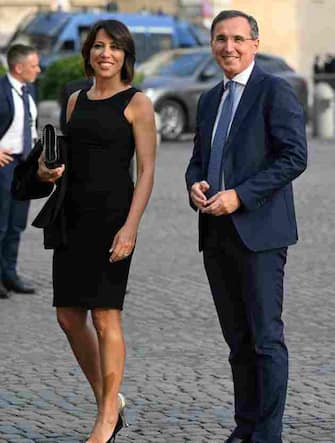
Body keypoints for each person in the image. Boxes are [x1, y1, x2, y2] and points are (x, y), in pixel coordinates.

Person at [185, 10, 307, 443]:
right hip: (215, 234)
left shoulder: (275, 91)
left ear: (254, 43)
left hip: (260, 234)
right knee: (238, 341)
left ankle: (267, 435)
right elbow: (199, 158)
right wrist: (194, 184)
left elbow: (294, 156)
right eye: (221, 38)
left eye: (238, 38)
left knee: (265, 340)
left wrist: (241, 195)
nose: (229, 47)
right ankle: (246, 427)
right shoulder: (209, 99)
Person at [36, 19, 156, 443]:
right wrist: (46, 171)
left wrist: (131, 228)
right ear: (88, 52)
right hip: (72, 215)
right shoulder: (74, 99)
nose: (106, 54)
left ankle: (106, 418)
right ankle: (111, 398)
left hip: (112, 219)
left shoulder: (137, 103)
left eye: (115, 47)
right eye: (99, 46)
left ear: (126, 56)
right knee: (69, 316)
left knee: (106, 317)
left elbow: (146, 173)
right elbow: (64, 158)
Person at [0, 44, 40, 299]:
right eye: (34, 65)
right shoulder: (1, 90)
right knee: (0, 225)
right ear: (18, 67)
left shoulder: (30, 90)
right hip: (4, 165)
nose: (38, 69)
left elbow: (31, 126)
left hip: (25, 166)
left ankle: (10, 274)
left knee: (16, 224)